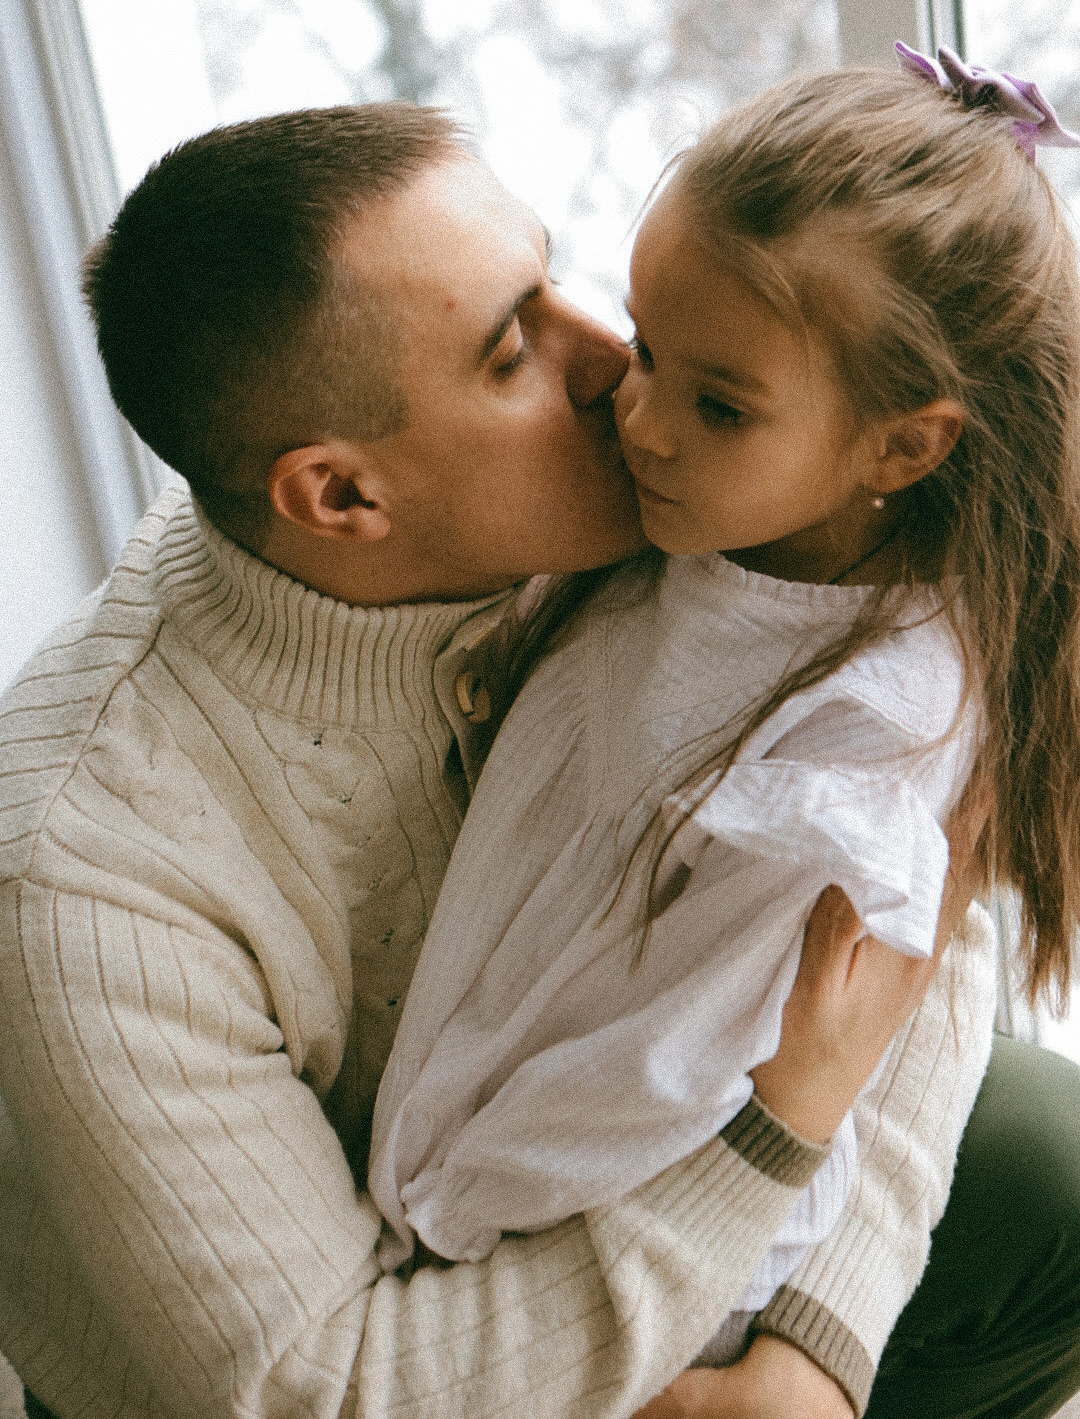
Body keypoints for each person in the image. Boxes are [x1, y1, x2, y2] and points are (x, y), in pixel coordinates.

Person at [0, 96, 1067, 1419]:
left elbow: (904, 872)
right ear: (342, 497)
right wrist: (765, 1145)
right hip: (344, 1359)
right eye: (514, 351)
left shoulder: (609, 494)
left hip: (619, 1171)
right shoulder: (88, 886)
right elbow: (330, 1389)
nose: (617, 363)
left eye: (560, 281)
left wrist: (815, 1341)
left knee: (1058, 1172)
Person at [367, 51, 1080, 1414]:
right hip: (516, 1166)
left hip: (642, 1254)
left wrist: (429, 1210)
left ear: (902, 450)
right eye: (646, 346)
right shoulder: (726, 531)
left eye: (718, 405)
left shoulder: (862, 742)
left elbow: (667, 1070)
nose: (634, 416)